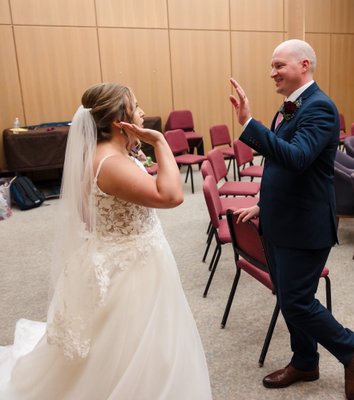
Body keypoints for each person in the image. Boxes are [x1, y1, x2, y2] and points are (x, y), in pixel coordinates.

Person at [0, 83, 212, 399]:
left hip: (123, 252)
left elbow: (87, 216)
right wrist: (160, 141)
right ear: (118, 120)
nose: (142, 112)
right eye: (136, 106)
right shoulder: (110, 163)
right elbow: (171, 195)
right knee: (131, 343)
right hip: (133, 264)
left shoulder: (106, 155)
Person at [229, 39, 354, 400]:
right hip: (280, 219)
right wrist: (264, 204)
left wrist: (249, 124)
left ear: (304, 65)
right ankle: (305, 362)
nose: (272, 72)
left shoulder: (320, 107)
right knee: (290, 297)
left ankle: (352, 347)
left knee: (296, 302)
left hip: (306, 225)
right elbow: (280, 165)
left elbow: (298, 157)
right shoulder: (293, 104)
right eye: (272, 66)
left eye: (279, 65)